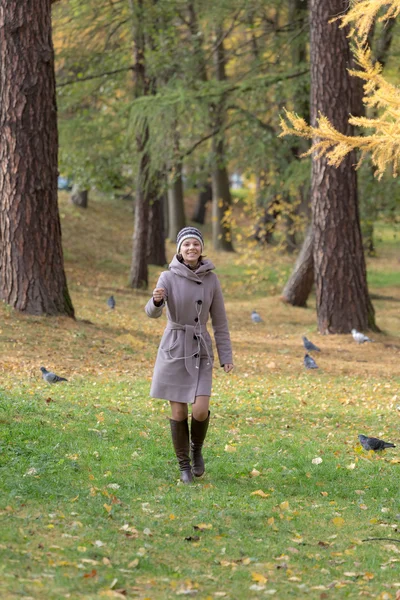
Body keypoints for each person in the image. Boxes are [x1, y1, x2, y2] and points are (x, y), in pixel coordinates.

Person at [145, 226, 234, 483]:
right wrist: (157, 300)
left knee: (201, 410)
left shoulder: (212, 280)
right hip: (174, 347)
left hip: (201, 347)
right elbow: (151, 312)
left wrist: (226, 356)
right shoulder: (167, 276)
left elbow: (220, 321)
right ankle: (184, 465)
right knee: (179, 412)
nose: (192, 248)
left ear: (201, 248)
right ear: (179, 250)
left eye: (196, 244)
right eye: (187, 245)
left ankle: (197, 451)